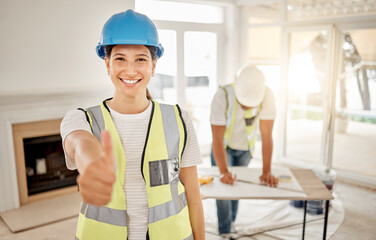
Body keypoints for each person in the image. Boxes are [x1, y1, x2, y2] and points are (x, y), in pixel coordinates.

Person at [60, 9, 204, 240]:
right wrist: (90, 162)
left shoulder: (179, 119)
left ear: (153, 66)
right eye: (120, 59)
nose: (130, 70)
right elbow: (79, 142)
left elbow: (194, 197)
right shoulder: (82, 118)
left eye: (140, 59)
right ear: (107, 64)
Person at [210, 65, 278, 237]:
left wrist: (267, 171)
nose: (247, 107)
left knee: (237, 187)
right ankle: (225, 230)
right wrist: (224, 171)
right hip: (223, 147)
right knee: (224, 189)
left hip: (245, 149)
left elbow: (267, 135)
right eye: (243, 103)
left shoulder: (267, 95)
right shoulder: (223, 96)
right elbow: (217, 139)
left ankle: (232, 221)